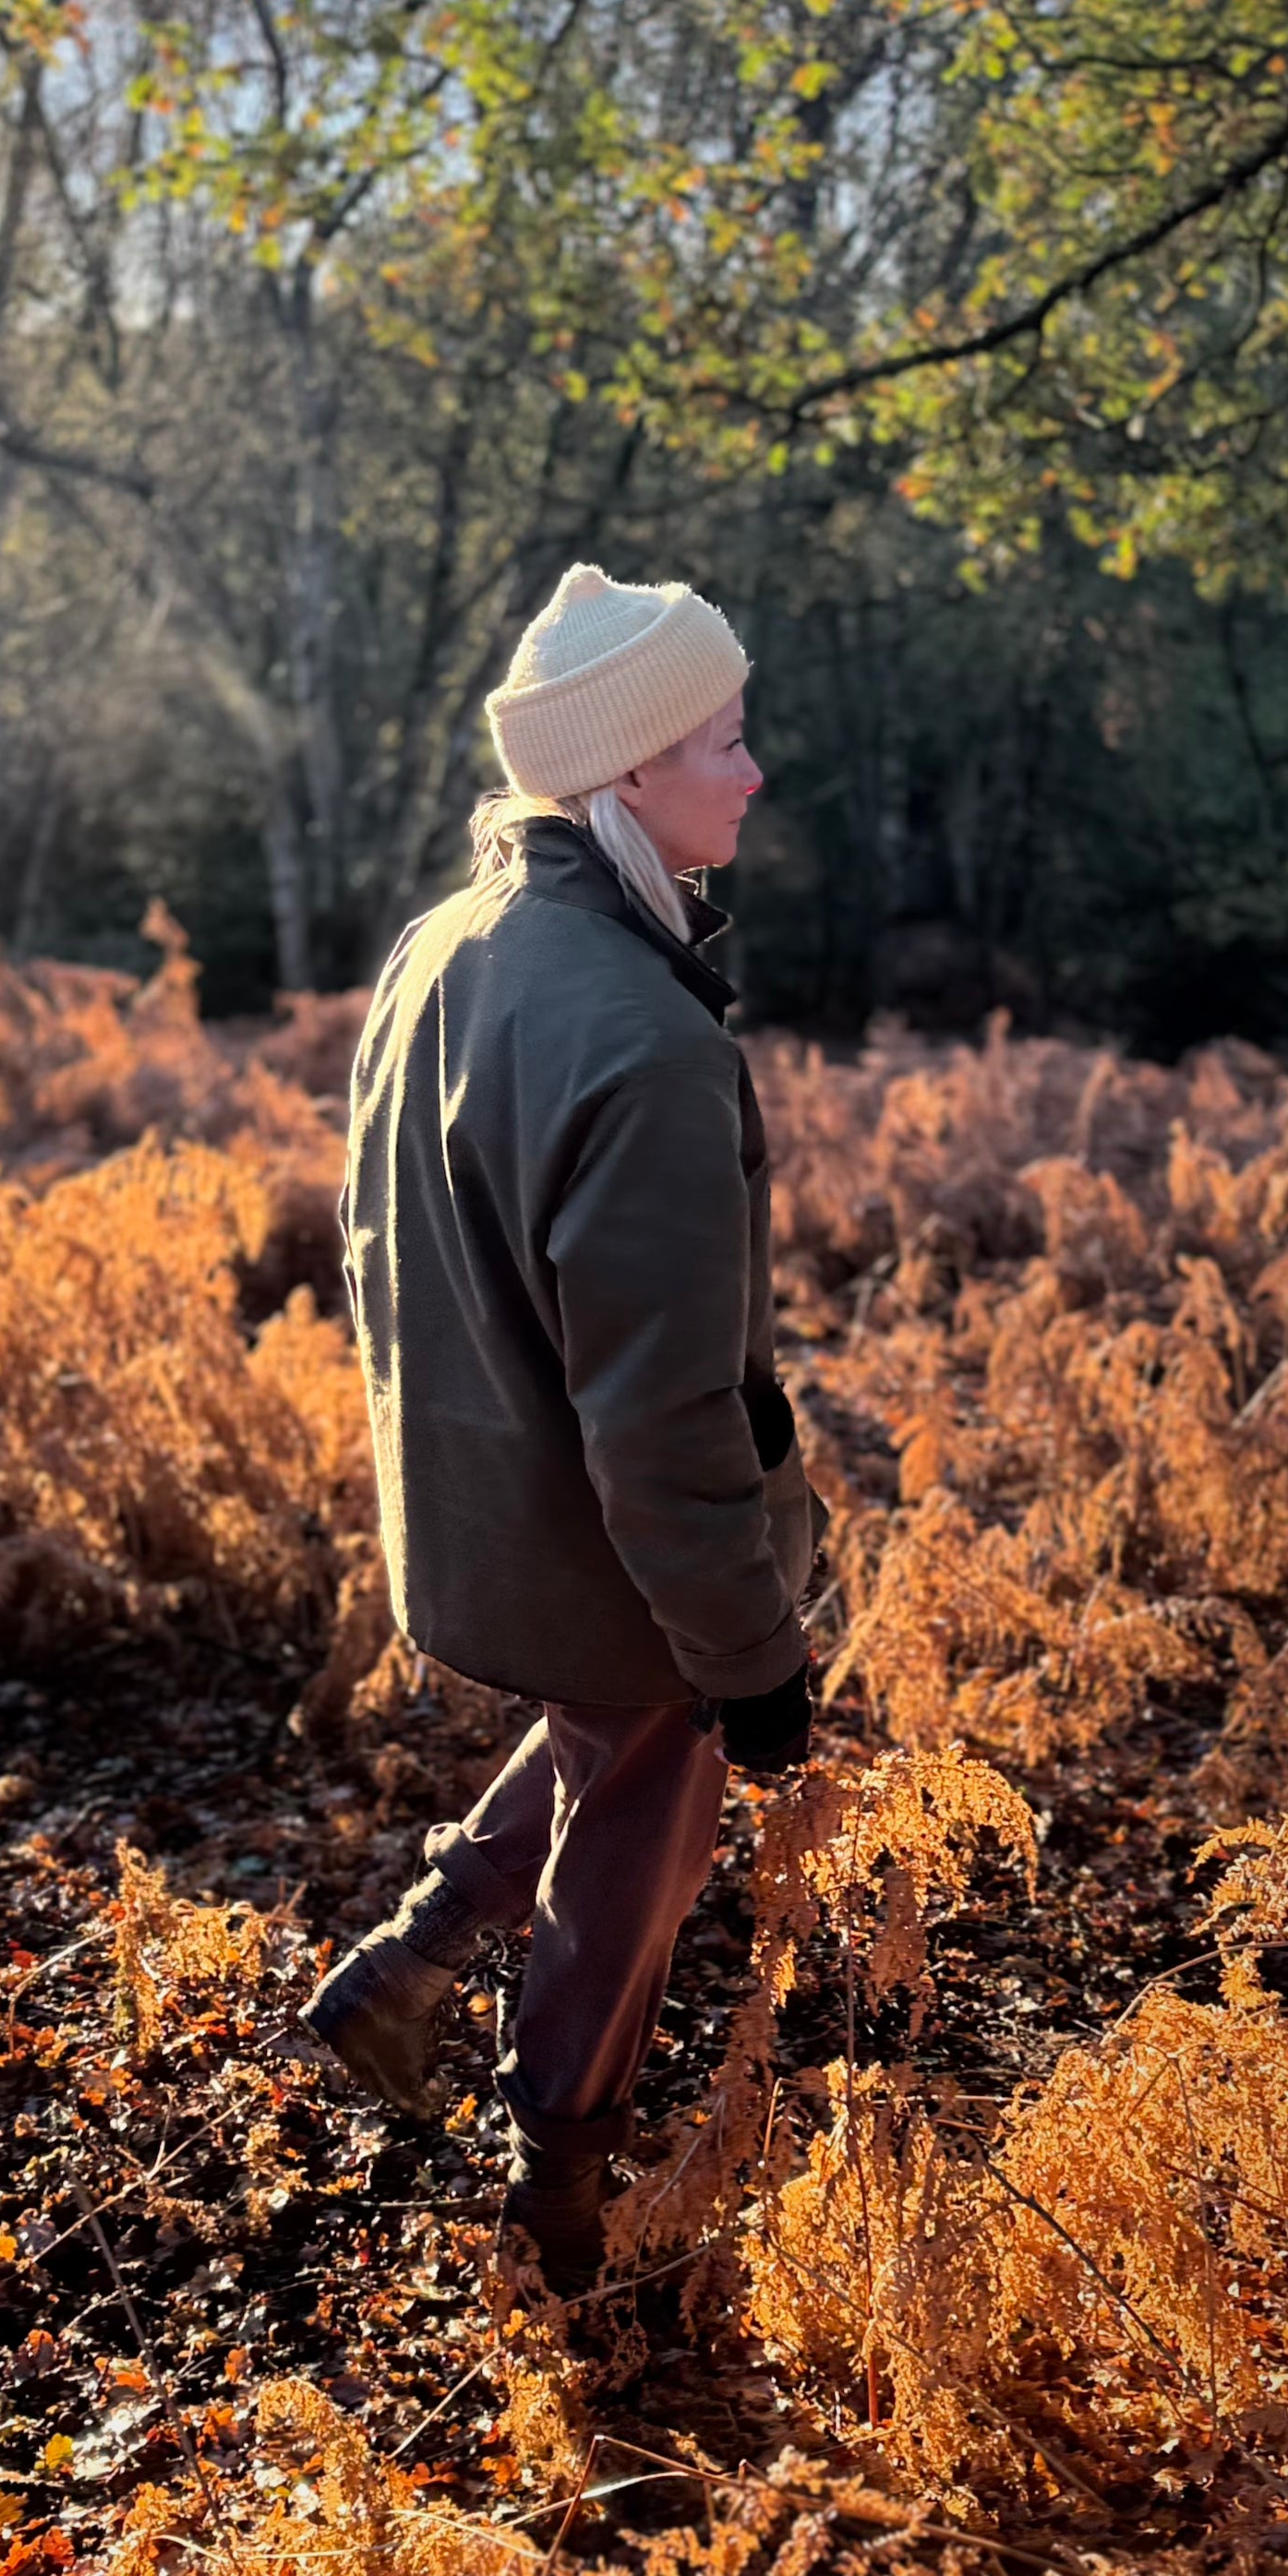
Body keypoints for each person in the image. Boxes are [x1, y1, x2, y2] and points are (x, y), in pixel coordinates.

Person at [301, 561, 823, 2294]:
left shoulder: (443, 943)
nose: (753, 773)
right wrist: (751, 1656)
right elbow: (665, 1421)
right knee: (647, 1813)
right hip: (603, 1538)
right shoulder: (643, 1039)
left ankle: (402, 1968)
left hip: (471, 1512)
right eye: (724, 742)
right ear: (627, 778)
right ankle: (559, 2210)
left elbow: (377, 1250)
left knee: (615, 1733)